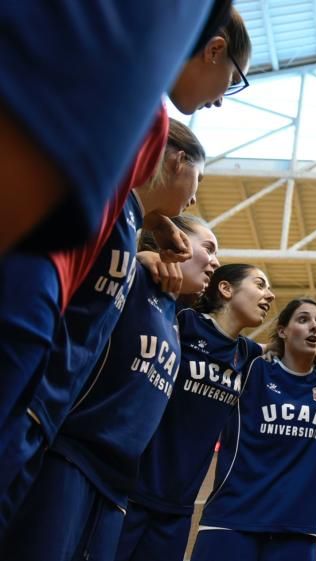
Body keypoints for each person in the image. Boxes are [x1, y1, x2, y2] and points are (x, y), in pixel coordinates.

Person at [0, 118, 209, 530]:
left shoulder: (131, 225)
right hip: (43, 410)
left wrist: (145, 235)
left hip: (74, 435)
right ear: (179, 159)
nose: (195, 197)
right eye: (198, 180)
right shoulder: (103, 198)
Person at [0, 215, 219, 561]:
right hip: (72, 456)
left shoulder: (174, 318)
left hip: (118, 483)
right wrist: (137, 257)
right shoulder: (133, 278)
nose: (215, 261)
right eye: (207, 248)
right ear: (174, 240)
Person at [0, 0, 230, 255]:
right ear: (214, 51)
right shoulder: (152, 122)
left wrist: (152, 223)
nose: (220, 100)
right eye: (235, 78)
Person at [114, 264, 273, 561]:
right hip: (131, 490)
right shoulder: (185, 321)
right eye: (261, 285)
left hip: (179, 505)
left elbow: (282, 347)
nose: (270, 295)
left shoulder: (246, 353)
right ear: (225, 288)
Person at [190, 298, 316, 561]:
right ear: (283, 330)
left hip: (296, 529)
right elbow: (217, 342)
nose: (314, 327)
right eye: (303, 319)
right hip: (231, 519)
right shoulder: (251, 368)